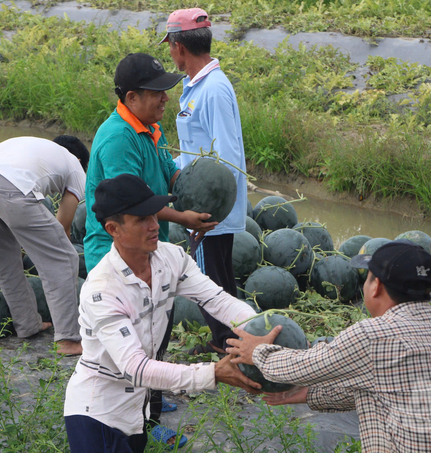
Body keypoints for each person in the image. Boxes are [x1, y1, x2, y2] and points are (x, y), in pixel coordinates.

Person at [226, 241, 431, 452]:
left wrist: (257, 352)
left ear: (376, 287)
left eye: (368, 277)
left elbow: (303, 366)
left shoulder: (373, 335)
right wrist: (310, 395)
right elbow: (387, 390)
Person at [65, 174, 261, 453]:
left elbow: (216, 300)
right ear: (113, 228)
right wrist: (212, 373)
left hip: (137, 412)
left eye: (154, 215)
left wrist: (259, 327)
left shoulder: (171, 258)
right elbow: (136, 368)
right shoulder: (102, 290)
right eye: (142, 219)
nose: (155, 225)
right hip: (97, 414)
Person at [82, 52, 218, 432]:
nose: (165, 99)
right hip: (118, 247)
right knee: (131, 343)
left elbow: (171, 175)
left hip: (150, 244)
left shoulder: (150, 129)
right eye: (156, 93)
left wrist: (201, 192)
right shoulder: (118, 138)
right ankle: (139, 420)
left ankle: (151, 399)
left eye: (166, 91)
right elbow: (133, 208)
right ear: (130, 98)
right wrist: (183, 217)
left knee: (156, 330)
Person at [161, 8, 248, 354]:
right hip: (201, 202)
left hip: (212, 209)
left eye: (170, 46)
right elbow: (197, 151)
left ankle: (229, 347)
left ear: (180, 47)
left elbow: (225, 157)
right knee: (215, 276)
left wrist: (208, 214)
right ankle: (229, 342)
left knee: (210, 279)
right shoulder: (195, 86)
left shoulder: (214, 90)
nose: (170, 53)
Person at [0, 135, 89, 355]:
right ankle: (68, 340)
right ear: (80, 160)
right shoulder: (75, 166)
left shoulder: (36, 148)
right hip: (12, 187)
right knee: (63, 258)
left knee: (4, 261)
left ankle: (27, 324)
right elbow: (63, 224)